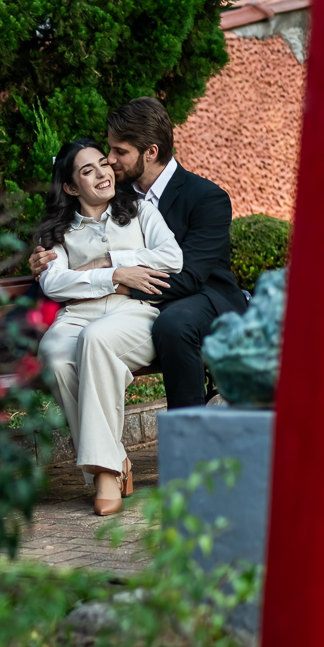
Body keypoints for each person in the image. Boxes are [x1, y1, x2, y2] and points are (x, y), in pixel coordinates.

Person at [30, 98, 248, 409]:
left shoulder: (206, 198)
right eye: (110, 149)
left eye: (120, 152)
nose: (110, 160)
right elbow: (70, 232)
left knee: (173, 325)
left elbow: (190, 276)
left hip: (202, 295)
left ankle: (187, 437)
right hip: (124, 307)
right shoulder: (113, 192)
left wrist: (115, 275)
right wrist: (43, 258)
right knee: (74, 327)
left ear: (151, 152)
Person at [36, 139, 183, 515]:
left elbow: (172, 258)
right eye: (88, 171)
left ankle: (104, 474)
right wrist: (113, 275)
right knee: (54, 355)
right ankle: (115, 459)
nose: (103, 173)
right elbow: (53, 283)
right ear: (70, 187)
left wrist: (108, 261)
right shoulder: (58, 229)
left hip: (133, 310)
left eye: (103, 164)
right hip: (78, 314)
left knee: (95, 340)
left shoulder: (139, 211)